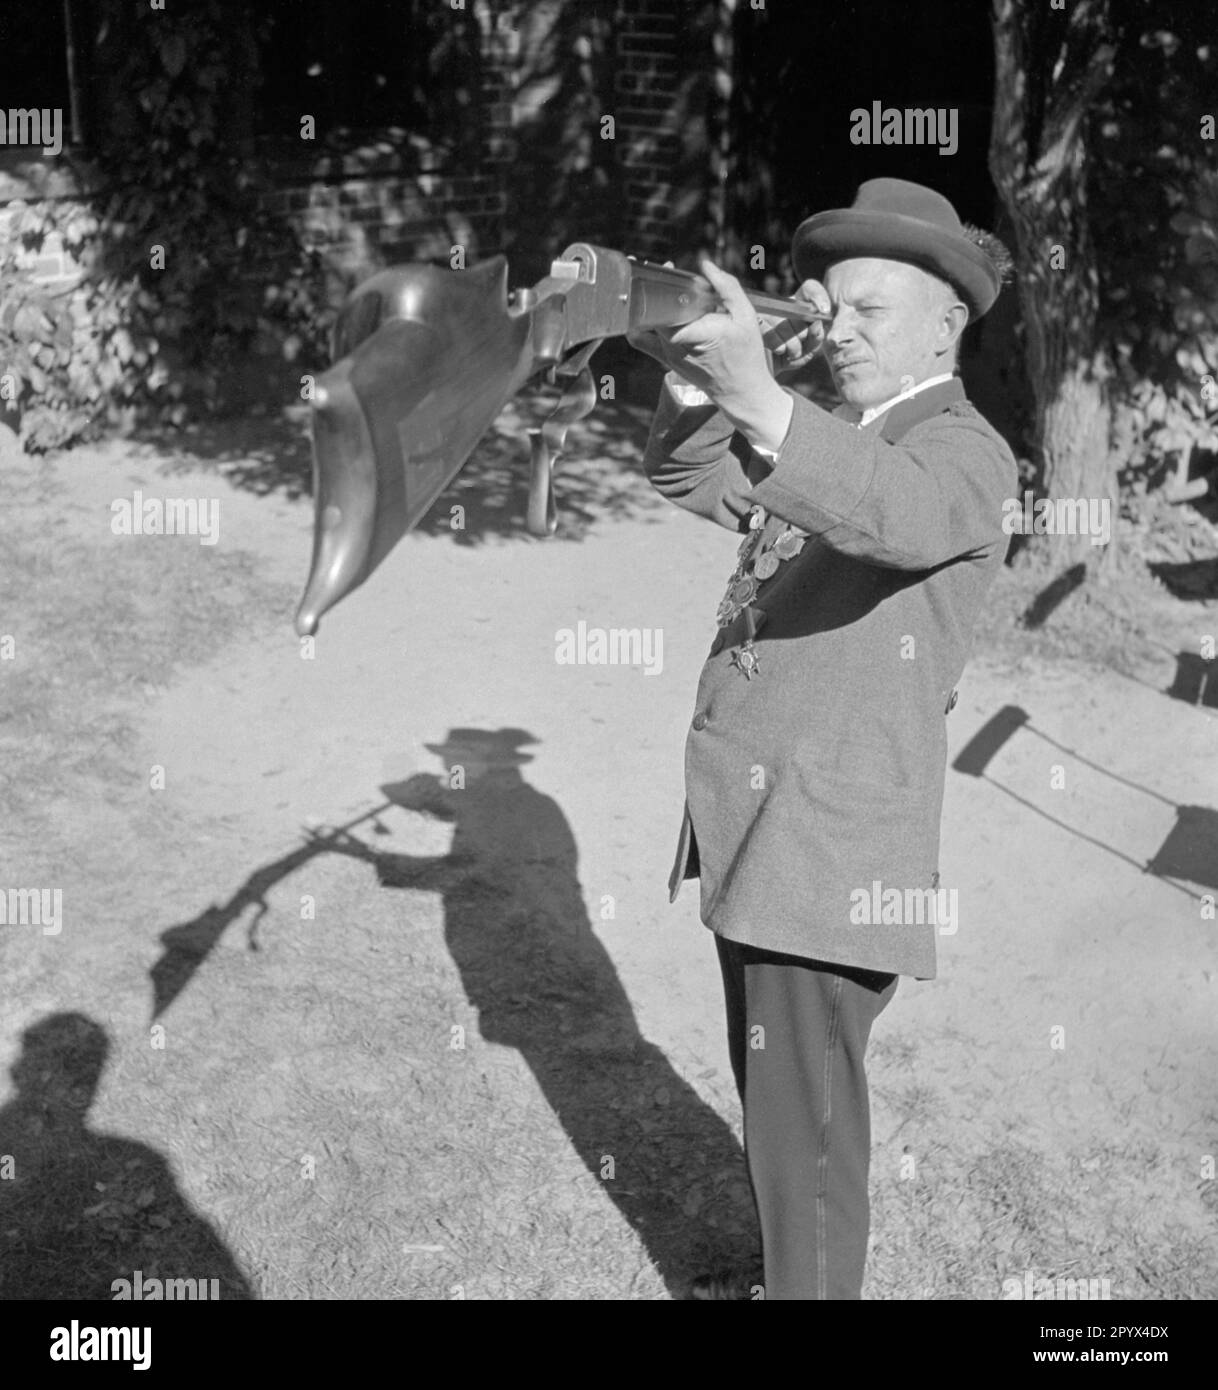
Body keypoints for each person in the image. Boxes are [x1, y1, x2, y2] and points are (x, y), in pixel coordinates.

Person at [628, 178, 1017, 1300]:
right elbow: (686, 474)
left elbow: (892, 515)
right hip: (763, 829)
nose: (838, 331)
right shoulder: (835, 431)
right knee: (783, 1117)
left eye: (871, 311)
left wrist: (767, 401)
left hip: (830, 849)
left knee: (809, 1138)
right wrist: (702, 374)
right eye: (830, 308)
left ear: (946, 321)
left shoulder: (963, 449)